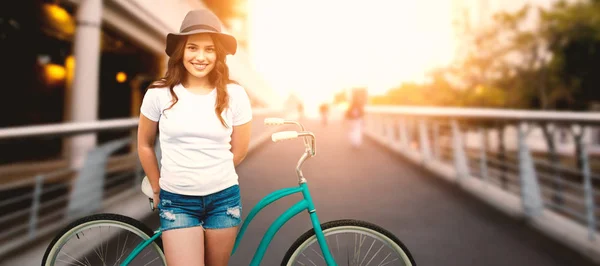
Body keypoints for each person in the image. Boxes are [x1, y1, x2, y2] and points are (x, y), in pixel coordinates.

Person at [137, 9, 252, 266]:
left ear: (218, 54)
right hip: (176, 201)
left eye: (209, 49)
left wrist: (208, 171)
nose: (201, 57)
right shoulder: (159, 93)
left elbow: (240, 150)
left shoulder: (235, 94)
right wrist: (157, 186)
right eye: (193, 48)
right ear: (181, 51)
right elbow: (144, 144)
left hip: (224, 200)